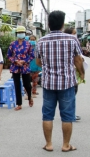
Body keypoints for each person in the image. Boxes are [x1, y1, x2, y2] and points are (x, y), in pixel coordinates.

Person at [36, 10, 84, 152]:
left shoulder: (41, 41)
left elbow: (38, 62)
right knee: (67, 116)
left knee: (47, 115)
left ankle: (49, 144)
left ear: (49, 24)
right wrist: (82, 73)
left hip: (48, 84)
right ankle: (65, 145)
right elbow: (77, 60)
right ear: (63, 24)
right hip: (67, 84)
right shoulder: (72, 39)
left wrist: (48, 66)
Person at [7, 26, 34, 111]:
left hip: (25, 66)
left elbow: (32, 55)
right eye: (19, 33)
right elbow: (9, 55)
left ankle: (30, 97)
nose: (20, 34)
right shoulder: (12, 44)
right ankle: (19, 104)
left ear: (25, 34)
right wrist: (15, 61)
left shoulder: (28, 44)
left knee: (27, 84)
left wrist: (24, 61)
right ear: (16, 34)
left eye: (22, 32)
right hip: (15, 67)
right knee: (17, 85)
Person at [63, 27, 83, 121]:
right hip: (71, 74)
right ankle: (70, 115)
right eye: (74, 33)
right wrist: (81, 72)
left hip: (71, 72)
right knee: (71, 95)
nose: (75, 35)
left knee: (71, 95)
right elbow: (78, 59)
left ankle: (69, 114)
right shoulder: (72, 42)